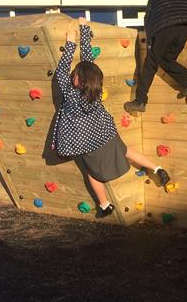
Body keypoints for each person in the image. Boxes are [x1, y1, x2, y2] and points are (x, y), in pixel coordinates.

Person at [53, 18, 171, 218]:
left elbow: (62, 70)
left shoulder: (70, 93)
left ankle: (105, 204)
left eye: (75, 74)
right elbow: (89, 62)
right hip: (104, 134)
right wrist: (84, 29)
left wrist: (71, 42)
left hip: (84, 143)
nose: (71, 74)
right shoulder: (95, 92)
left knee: (92, 173)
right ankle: (157, 167)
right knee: (126, 151)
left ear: (77, 80)